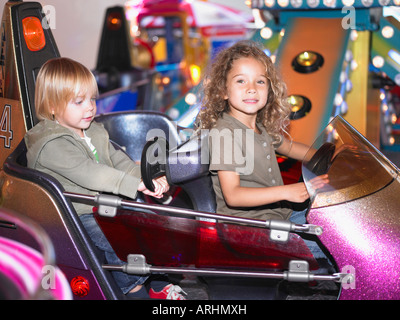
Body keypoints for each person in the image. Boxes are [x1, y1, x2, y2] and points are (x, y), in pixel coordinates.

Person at [24, 57, 186, 300]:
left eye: (92, 99)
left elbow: (117, 159)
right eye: (79, 102)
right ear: (52, 106)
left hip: (104, 203)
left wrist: (144, 180)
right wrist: (134, 185)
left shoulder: (91, 129)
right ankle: (133, 290)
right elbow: (90, 172)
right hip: (75, 213)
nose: (89, 107)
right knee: (118, 243)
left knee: (151, 226)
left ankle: (159, 286)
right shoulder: (50, 144)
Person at [196, 40, 330, 261]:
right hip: (250, 229)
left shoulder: (259, 128)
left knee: (334, 222)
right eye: (241, 81)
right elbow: (233, 195)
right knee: (335, 245)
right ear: (223, 91)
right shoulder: (225, 133)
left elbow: (291, 148)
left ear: (269, 88)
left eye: (260, 81)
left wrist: (333, 157)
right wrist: (288, 192)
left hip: (277, 217)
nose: (251, 88)